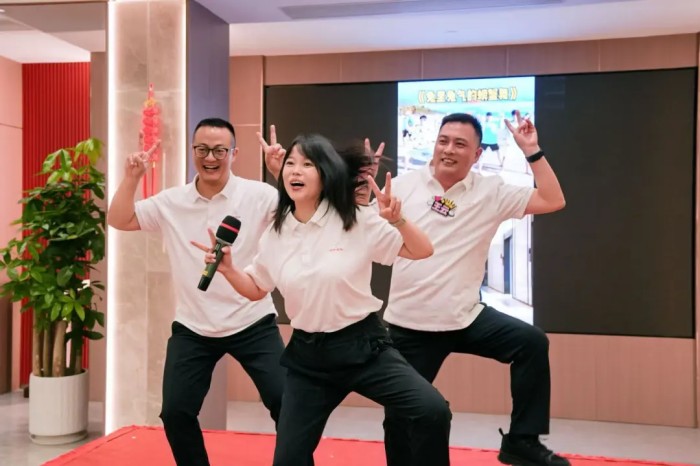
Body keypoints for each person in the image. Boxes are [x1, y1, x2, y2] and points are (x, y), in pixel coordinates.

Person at [194, 134, 452, 466]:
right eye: (290, 163)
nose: (294, 171)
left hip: (364, 348)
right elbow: (256, 287)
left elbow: (421, 250)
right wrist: (229, 270)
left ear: (325, 173)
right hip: (309, 358)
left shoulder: (354, 219)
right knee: (288, 460)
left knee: (431, 410)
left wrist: (397, 220)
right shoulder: (276, 232)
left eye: (307, 164)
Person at [381, 111, 569, 466]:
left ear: (478, 153)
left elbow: (552, 199)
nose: (448, 150)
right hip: (411, 325)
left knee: (531, 342)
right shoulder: (403, 186)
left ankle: (521, 440)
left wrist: (532, 151)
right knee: (405, 418)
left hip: (465, 317)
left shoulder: (490, 191)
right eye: (443, 141)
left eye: (460, 144)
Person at [107, 118, 286, 466]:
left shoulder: (260, 195)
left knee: (287, 403)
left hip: (252, 320)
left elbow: (303, 214)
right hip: (194, 326)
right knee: (175, 412)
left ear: (234, 153)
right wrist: (132, 177)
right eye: (202, 149)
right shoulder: (172, 201)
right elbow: (119, 218)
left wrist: (280, 172)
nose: (210, 158)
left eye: (220, 150)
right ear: (193, 152)